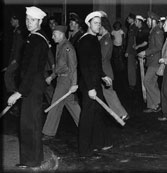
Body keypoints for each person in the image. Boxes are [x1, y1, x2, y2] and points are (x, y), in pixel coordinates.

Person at [7, 6, 49, 169]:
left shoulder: (36, 40)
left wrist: (18, 93)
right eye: (27, 19)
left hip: (31, 87)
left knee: (28, 124)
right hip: (34, 86)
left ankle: (31, 161)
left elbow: (31, 69)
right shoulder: (36, 37)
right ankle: (33, 159)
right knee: (32, 123)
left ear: (39, 21)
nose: (29, 23)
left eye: (32, 20)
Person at [77, 11, 113, 157]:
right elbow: (85, 66)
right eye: (96, 23)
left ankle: (100, 142)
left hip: (95, 82)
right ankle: (84, 151)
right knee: (87, 117)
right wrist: (91, 88)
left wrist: (103, 76)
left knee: (97, 114)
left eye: (100, 23)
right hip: (88, 85)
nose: (99, 25)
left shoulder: (93, 39)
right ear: (88, 24)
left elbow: (95, 64)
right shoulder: (86, 40)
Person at [42, 25, 81, 140]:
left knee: (55, 105)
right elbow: (60, 66)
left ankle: (49, 132)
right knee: (72, 105)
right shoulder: (60, 46)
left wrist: (74, 84)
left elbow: (73, 66)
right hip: (61, 78)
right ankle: (86, 126)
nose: (53, 37)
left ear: (61, 34)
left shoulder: (68, 47)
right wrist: (52, 76)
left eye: (54, 35)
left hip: (66, 80)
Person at [98, 16, 129, 121]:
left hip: (105, 71)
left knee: (109, 92)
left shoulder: (106, 40)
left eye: (99, 25)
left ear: (103, 27)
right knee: (106, 93)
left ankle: (122, 113)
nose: (97, 28)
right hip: (103, 70)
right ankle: (120, 113)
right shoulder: (103, 38)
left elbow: (101, 57)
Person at [138, 11, 164, 113]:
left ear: (153, 20)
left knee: (147, 81)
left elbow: (158, 47)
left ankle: (158, 103)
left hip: (155, 61)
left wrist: (145, 52)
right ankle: (152, 105)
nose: (147, 22)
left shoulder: (157, 31)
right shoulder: (153, 30)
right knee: (152, 82)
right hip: (152, 60)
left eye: (148, 20)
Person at [4, 14, 25, 93]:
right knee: (11, 76)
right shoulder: (16, 31)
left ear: (17, 21)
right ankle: (13, 92)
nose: (11, 22)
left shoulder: (19, 32)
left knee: (7, 75)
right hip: (14, 58)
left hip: (17, 59)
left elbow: (19, 46)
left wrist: (16, 59)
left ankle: (13, 92)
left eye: (12, 20)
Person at [125, 13, 138, 91]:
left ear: (132, 19)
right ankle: (133, 82)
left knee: (131, 68)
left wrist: (127, 51)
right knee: (132, 67)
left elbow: (130, 41)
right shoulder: (131, 27)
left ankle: (132, 84)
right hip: (132, 50)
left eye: (128, 18)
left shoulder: (133, 27)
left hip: (131, 50)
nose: (127, 20)